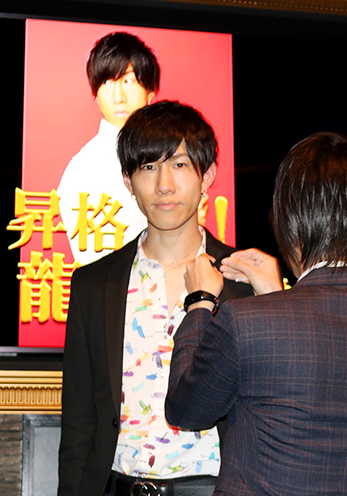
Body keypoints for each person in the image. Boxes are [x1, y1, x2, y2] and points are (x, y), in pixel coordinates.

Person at [166, 132, 347, 495]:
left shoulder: (244, 323)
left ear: (291, 219)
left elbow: (186, 410)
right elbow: (322, 374)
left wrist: (200, 301)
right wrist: (276, 297)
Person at [58, 100, 254, 496]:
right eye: (148, 167)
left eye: (179, 164)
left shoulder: (243, 281)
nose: (164, 184)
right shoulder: (93, 285)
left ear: (208, 174)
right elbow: (79, 423)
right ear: (128, 181)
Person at [56, 32, 159, 266]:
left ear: (150, 92)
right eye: (107, 82)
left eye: (128, 81)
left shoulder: (172, 155)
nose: (118, 97)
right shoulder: (82, 168)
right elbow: (91, 260)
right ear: (96, 93)